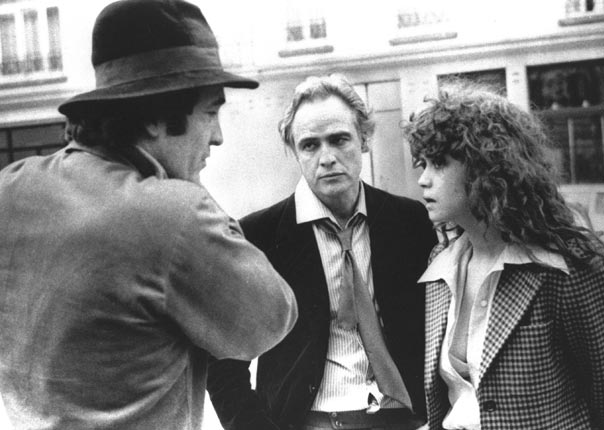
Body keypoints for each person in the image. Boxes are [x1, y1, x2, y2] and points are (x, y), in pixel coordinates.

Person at [0, 1, 298, 429]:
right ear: (160, 115)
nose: (217, 136)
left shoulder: (11, 187)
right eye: (211, 112)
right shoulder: (173, 213)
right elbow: (270, 320)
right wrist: (190, 185)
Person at [207, 74, 437, 430]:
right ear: (294, 151)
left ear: (365, 139)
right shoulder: (258, 235)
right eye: (310, 145)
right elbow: (222, 358)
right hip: (306, 420)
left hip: (402, 418)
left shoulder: (409, 220)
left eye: (339, 139)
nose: (326, 157)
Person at [404, 80, 604, 430]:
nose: (423, 180)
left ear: (484, 167)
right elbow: (458, 400)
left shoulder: (564, 267)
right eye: (422, 164)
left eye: (438, 164)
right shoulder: (441, 264)